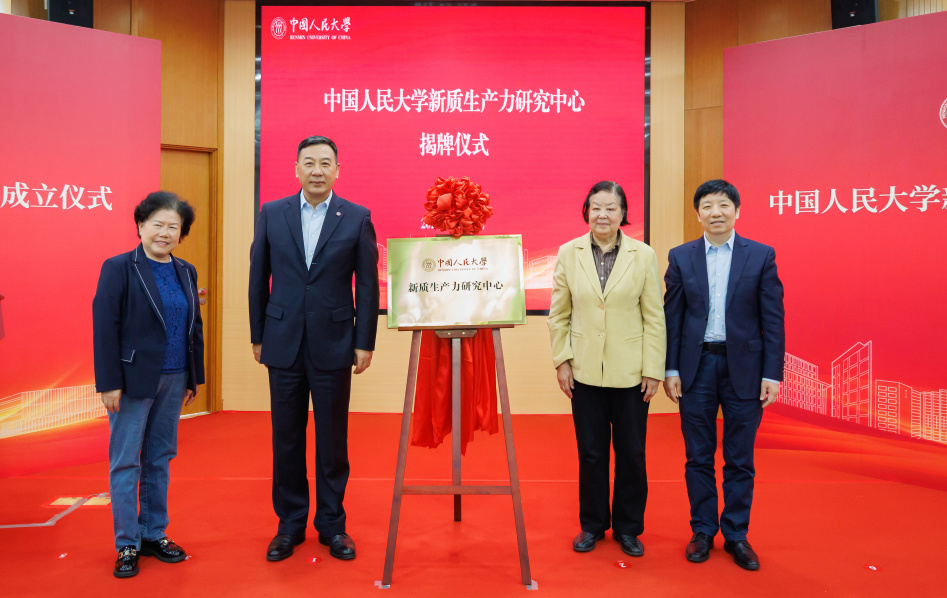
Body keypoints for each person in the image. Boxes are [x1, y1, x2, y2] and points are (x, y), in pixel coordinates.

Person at [249, 135, 379, 562]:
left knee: (332, 439)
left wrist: (364, 341)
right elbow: (258, 277)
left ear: (337, 170)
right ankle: (289, 525)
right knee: (286, 437)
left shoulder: (356, 217)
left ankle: (332, 525)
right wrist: (257, 334)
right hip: (282, 341)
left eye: (325, 163)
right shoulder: (272, 213)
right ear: (296, 169)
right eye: (309, 162)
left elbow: (367, 285)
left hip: (335, 342)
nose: (317, 170)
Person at [663, 179, 785, 571]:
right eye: (708, 206)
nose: (716, 212)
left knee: (740, 457)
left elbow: (773, 319)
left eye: (723, 205)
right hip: (696, 368)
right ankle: (702, 530)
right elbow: (672, 318)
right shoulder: (681, 257)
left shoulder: (761, 256)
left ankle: (736, 535)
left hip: (745, 371)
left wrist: (772, 374)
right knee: (698, 456)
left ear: (737, 211)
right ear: (697, 213)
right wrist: (670, 368)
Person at [547, 181, 666, 556]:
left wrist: (653, 369)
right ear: (586, 211)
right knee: (591, 453)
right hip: (584, 371)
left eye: (611, 208)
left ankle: (628, 528)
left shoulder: (643, 254)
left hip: (631, 373)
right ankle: (593, 524)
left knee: (631, 453)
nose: (603, 214)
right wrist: (562, 360)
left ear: (622, 213)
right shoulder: (569, 253)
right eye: (596, 207)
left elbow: (654, 317)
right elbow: (559, 314)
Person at [92, 191, 204, 578]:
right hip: (131, 380)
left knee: (160, 458)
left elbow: (193, 326)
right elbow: (105, 327)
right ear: (140, 226)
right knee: (126, 462)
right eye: (157, 224)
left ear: (181, 234)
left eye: (173, 227)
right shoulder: (119, 267)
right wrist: (109, 382)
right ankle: (127, 542)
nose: (164, 233)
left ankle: (154, 532)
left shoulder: (186, 270)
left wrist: (193, 376)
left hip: (174, 377)